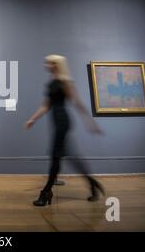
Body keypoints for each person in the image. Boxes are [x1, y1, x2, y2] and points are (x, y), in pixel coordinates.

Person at [24, 55, 104, 206]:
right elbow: (46, 105)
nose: (46, 65)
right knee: (66, 156)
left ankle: (46, 192)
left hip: (63, 121)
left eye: (49, 62)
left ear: (56, 64)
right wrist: (32, 119)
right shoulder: (51, 83)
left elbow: (77, 102)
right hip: (56, 121)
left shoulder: (65, 82)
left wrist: (90, 122)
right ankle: (93, 184)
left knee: (56, 157)